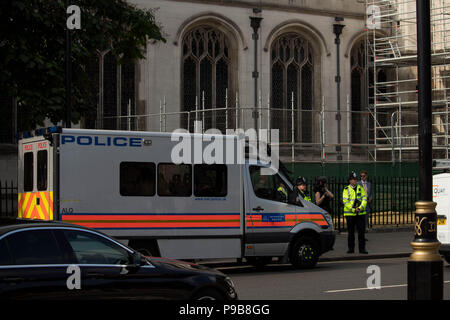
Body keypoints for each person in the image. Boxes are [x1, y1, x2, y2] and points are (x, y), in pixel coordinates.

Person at [343, 171, 368, 254]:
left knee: (361, 232)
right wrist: (354, 209)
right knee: (351, 233)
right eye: (353, 179)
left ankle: (362, 249)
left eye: (355, 179)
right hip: (350, 214)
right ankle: (351, 249)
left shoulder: (361, 188)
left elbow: (364, 199)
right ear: (350, 180)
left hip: (360, 213)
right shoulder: (346, 190)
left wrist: (360, 208)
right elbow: (345, 202)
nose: (355, 181)